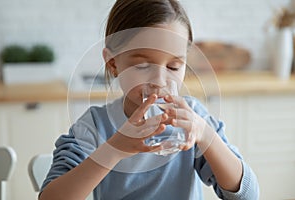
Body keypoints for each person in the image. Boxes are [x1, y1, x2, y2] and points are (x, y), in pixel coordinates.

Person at [39, 0, 259, 199]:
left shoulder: (193, 120)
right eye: (142, 65)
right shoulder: (95, 126)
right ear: (113, 63)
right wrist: (114, 149)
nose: (160, 81)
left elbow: (247, 195)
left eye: (174, 66)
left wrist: (205, 134)